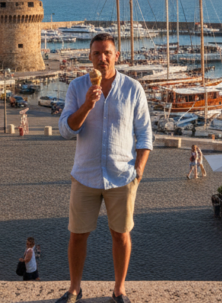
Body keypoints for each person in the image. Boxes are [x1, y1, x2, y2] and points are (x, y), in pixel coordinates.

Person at [57, 33, 152, 303]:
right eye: (97, 53)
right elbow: (66, 130)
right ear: (90, 57)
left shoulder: (133, 88)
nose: (102, 58)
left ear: (116, 56)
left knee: (121, 235)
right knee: (77, 235)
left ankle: (119, 289)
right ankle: (75, 288)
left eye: (107, 52)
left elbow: (145, 135)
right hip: (85, 175)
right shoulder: (77, 87)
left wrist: (139, 171)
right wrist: (87, 104)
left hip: (122, 177)